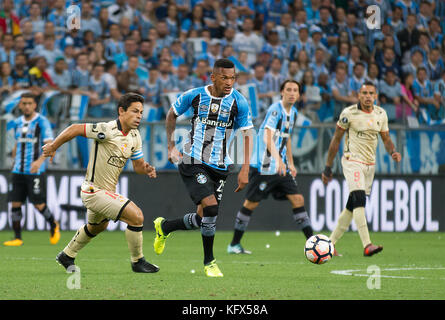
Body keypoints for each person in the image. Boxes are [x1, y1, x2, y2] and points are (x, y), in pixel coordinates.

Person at [153, 58, 253, 277]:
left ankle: (165, 227)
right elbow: (172, 113)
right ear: (213, 77)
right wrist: (171, 146)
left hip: (220, 166)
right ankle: (210, 262)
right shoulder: (195, 95)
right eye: (224, 77)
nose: (229, 82)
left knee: (203, 219)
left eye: (233, 78)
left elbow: (247, 134)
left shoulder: (239, 102)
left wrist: (245, 168)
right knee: (211, 208)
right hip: (193, 160)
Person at [41, 93, 159, 273]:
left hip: (107, 191)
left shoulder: (135, 136)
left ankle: (67, 255)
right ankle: (138, 261)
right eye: (135, 111)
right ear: (121, 111)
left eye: (141, 113)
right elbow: (74, 128)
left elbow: (137, 166)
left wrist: (147, 169)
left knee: (97, 227)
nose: (139, 116)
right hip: (93, 190)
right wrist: (53, 147)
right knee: (137, 217)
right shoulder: (106, 129)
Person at [228, 80, 314, 255]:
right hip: (263, 166)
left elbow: (286, 138)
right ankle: (234, 245)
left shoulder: (294, 113)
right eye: (288, 89)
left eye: (295, 90)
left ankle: (313, 244)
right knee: (251, 204)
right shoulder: (275, 110)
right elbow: (267, 138)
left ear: (298, 95)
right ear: (281, 92)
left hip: (281, 168)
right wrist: (279, 160)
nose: (291, 93)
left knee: (298, 200)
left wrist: (290, 162)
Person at [321, 82, 401, 257]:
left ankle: (330, 244)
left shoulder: (381, 114)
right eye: (364, 93)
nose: (367, 96)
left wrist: (393, 151)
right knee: (359, 198)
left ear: (376, 96)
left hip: (369, 165)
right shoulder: (348, 114)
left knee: (352, 205)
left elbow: (386, 138)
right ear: (358, 95)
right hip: (352, 161)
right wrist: (328, 166)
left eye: (371, 93)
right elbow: (335, 140)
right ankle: (367, 244)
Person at [4, 93, 60, 247]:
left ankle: (53, 224)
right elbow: (18, 141)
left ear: (35, 105)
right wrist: (15, 156)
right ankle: (17, 238)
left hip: (35, 170)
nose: (27, 106)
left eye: (30, 103)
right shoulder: (17, 122)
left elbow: (50, 145)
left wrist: (39, 161)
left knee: (38, 204)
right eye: (24, 103)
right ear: (20, 105)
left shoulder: (42, 122)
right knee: (15, 203)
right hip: (18, 170)